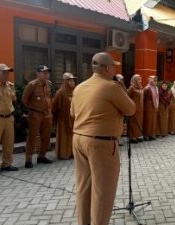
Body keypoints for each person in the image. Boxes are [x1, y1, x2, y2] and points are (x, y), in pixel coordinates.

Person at [71, 52, 136, 225]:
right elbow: (131, 109)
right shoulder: (111, 86)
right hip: (101, 143)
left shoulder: (79, 87)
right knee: (103, 191)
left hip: (79, 139)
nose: (115, 69)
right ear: (107, 68)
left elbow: (73, 113)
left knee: (84, 187)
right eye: (113, 66)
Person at [22, 65, 53, 168]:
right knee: (32, 137)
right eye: (44, 72)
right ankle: (28, 159)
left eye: (47, 72)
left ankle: (41, 156)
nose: (46, 74)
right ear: (38, 73)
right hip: (35, 114)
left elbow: (48, 98)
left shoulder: (48, 84)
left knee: (46, 136)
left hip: (46, 114)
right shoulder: (32, 85)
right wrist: (33, 109)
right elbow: (24, 100)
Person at [0, 63, 18, 175]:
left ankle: (6, 164)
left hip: (9, 118)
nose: (7, 74)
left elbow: (13, 99)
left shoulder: (10, 86)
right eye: (4, 72)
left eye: (8, 72)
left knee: (9, 142)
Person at [52, 72, 76, 160]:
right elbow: (54, 107)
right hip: (63, 119)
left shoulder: (74, 91)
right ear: (65, 81)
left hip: (73, 118)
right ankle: (63, 153)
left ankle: (72, 152)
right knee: (64, 136)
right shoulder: (60, 92)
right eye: (70, 80)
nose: (73, 82)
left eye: (73, 80)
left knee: (72, 136)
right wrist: (55, 119)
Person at [127, 74, 144, 143]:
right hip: (134, 109)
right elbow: (127, 98)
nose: (140, 81)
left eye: (140, 79)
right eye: (138, 79)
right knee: (133, 123)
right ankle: (132, 137)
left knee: (139, 123)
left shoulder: (141, 87)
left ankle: (137, 135)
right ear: (134, 80)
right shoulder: (132, 87)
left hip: (140, 109)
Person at [143, 75, 159, 140]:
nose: (155, 82)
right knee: (148, 121)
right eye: (154, 80)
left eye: (156, 80)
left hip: (154, 106)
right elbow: (143, 97)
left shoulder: (156, 88)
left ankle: (152, 134)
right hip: (148, 106)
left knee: (153, 120)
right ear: (150, 80)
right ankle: (146, 135)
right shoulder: (147, 88)